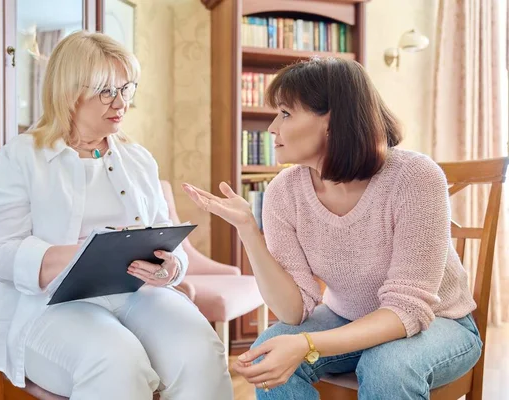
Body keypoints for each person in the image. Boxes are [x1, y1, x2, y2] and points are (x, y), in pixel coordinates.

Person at [182, 57, 482, 399]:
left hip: (439, 323)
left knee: (387, 365)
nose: (271, 129)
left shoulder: (414, 177)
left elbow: (408, 309)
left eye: (285, 113)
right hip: (347, 317)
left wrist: (307, 344)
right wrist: (248, 228)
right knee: (270, 348)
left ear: (332, 119)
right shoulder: (283, 192)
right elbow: (292, 312)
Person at [0, 31, 233, 400]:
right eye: (106, 91)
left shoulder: (139, 159)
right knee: (117, 361)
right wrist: (75, 254)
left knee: (200, 353)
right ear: (69, 92)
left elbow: (168, 240)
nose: (121, 103)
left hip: (137, 293)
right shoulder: (20, 156)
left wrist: (170, 268)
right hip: (50, 307)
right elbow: (0, 255)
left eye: (126, 88)